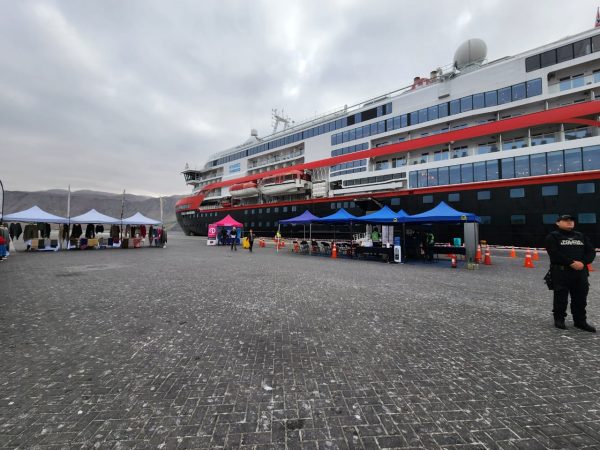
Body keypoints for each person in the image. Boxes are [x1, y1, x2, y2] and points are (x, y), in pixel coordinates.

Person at [545, 214, 596, 332]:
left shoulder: (581, 236)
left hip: (580, 272)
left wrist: (583, 262)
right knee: (560, 297)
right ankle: (559, 319)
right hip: (562, 272)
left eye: (572, 221)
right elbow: (554, 253)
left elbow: (591, 252)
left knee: (580, 298)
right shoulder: (553, 236)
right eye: (566, 220)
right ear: (558, 223)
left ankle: (580, 321)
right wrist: (571, 263)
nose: (570, 222)